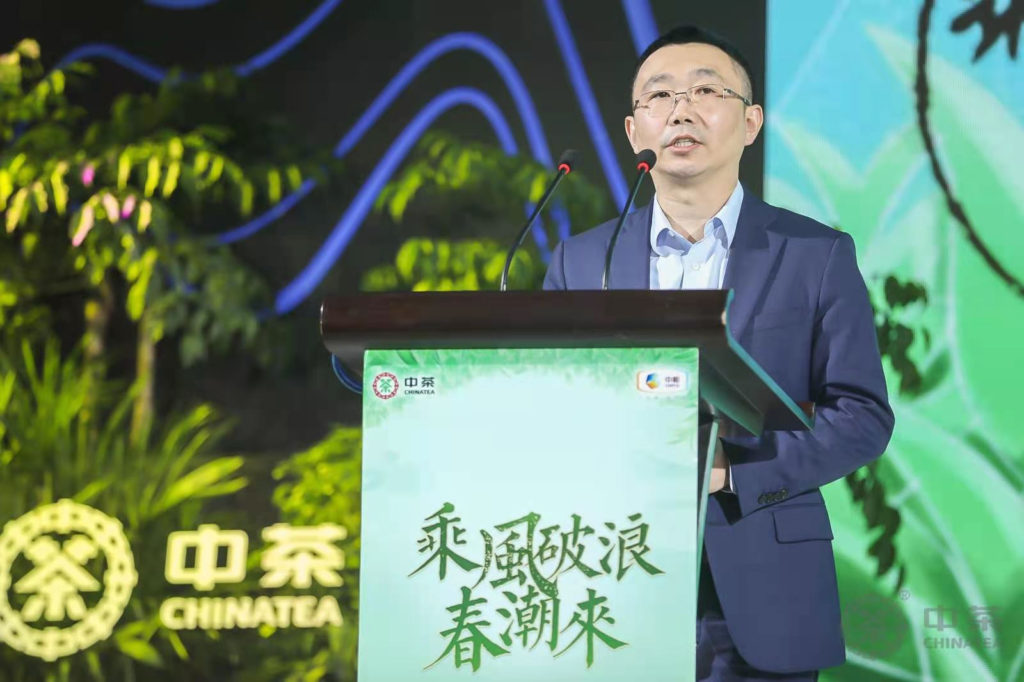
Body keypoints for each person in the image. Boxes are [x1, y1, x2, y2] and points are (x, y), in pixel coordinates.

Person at [543, 26, 895, 681]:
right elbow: (548, 403)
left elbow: (861, 416)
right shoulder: (581, 261)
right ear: (633, 131)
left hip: (763, 588)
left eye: (706, 91)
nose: (681, 109)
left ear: (751, 122)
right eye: (660, 96)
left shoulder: (816, 254)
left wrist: (731, 473)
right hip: (609, 583)